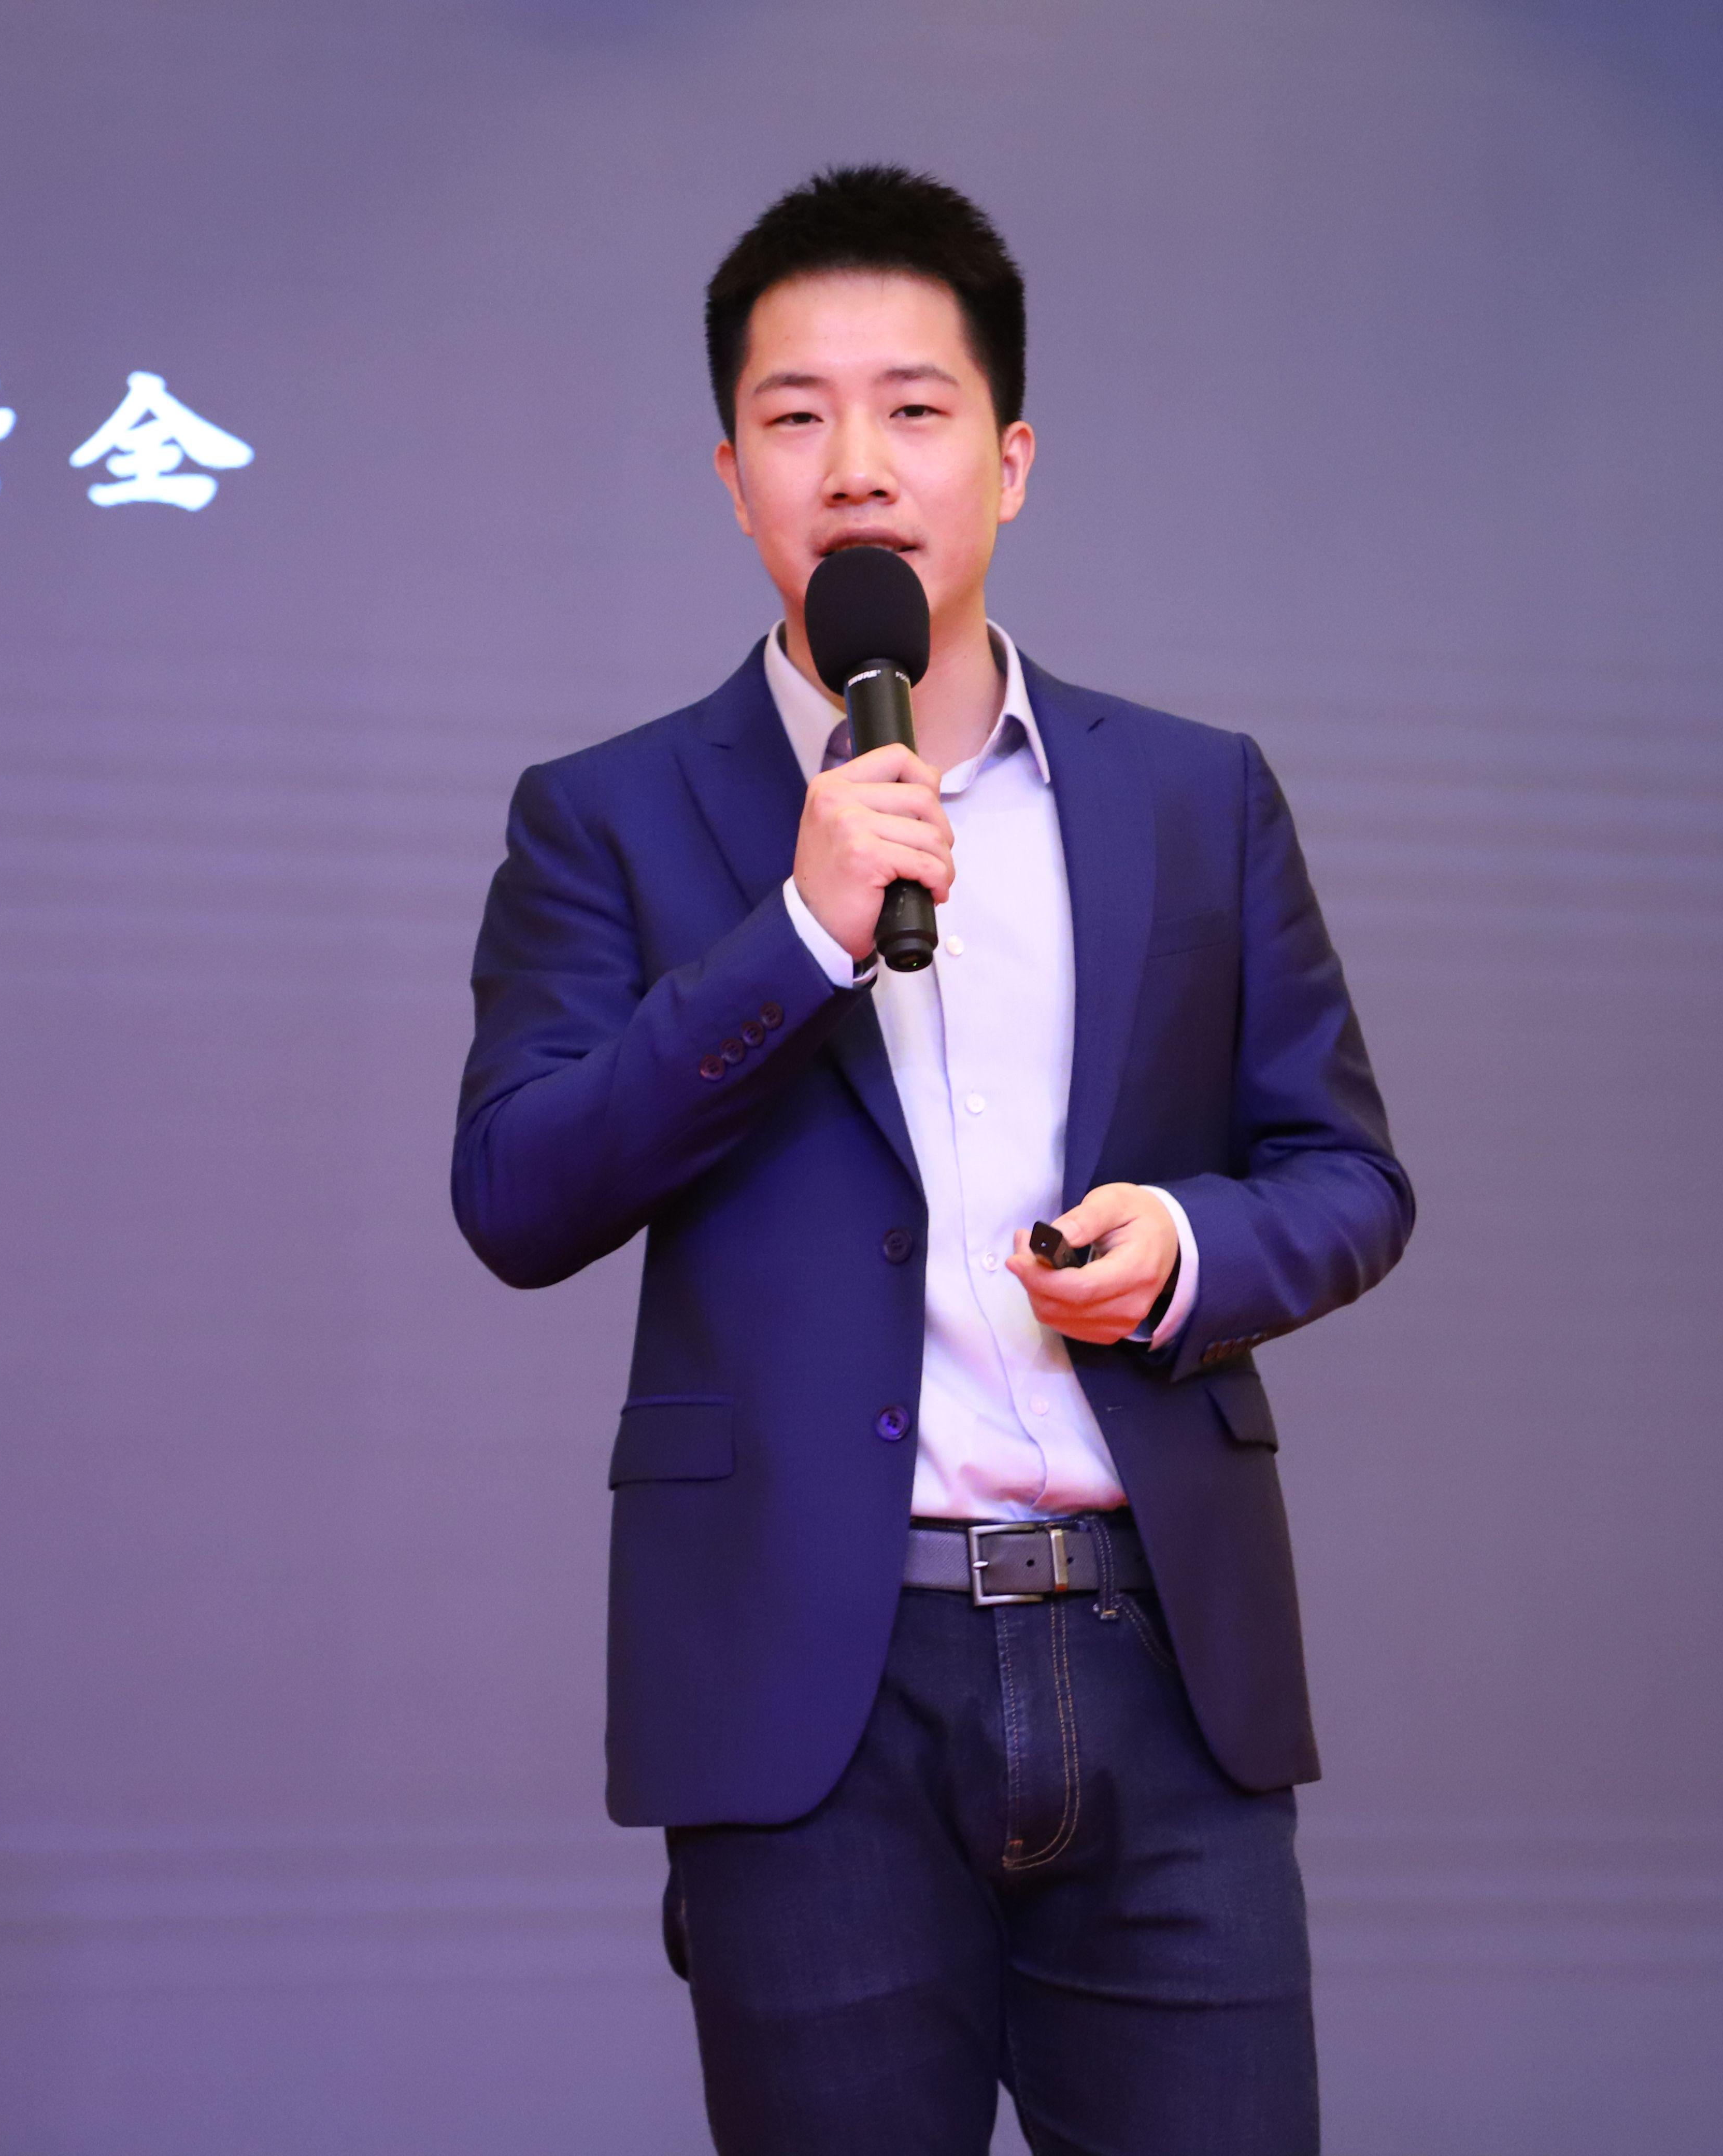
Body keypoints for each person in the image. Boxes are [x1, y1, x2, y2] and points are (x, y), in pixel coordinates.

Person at [451, 165, 1411, 2156]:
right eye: (797, 417)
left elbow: (1345, 1172)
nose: (858, 467)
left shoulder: (1194, 795)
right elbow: (520, 1193)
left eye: (914, 408)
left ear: (1013, 459)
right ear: (733, 478)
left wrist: (1189, 1249)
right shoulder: (608, 816)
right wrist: (797, 940)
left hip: (1162, 1657)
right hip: (817, 1684)